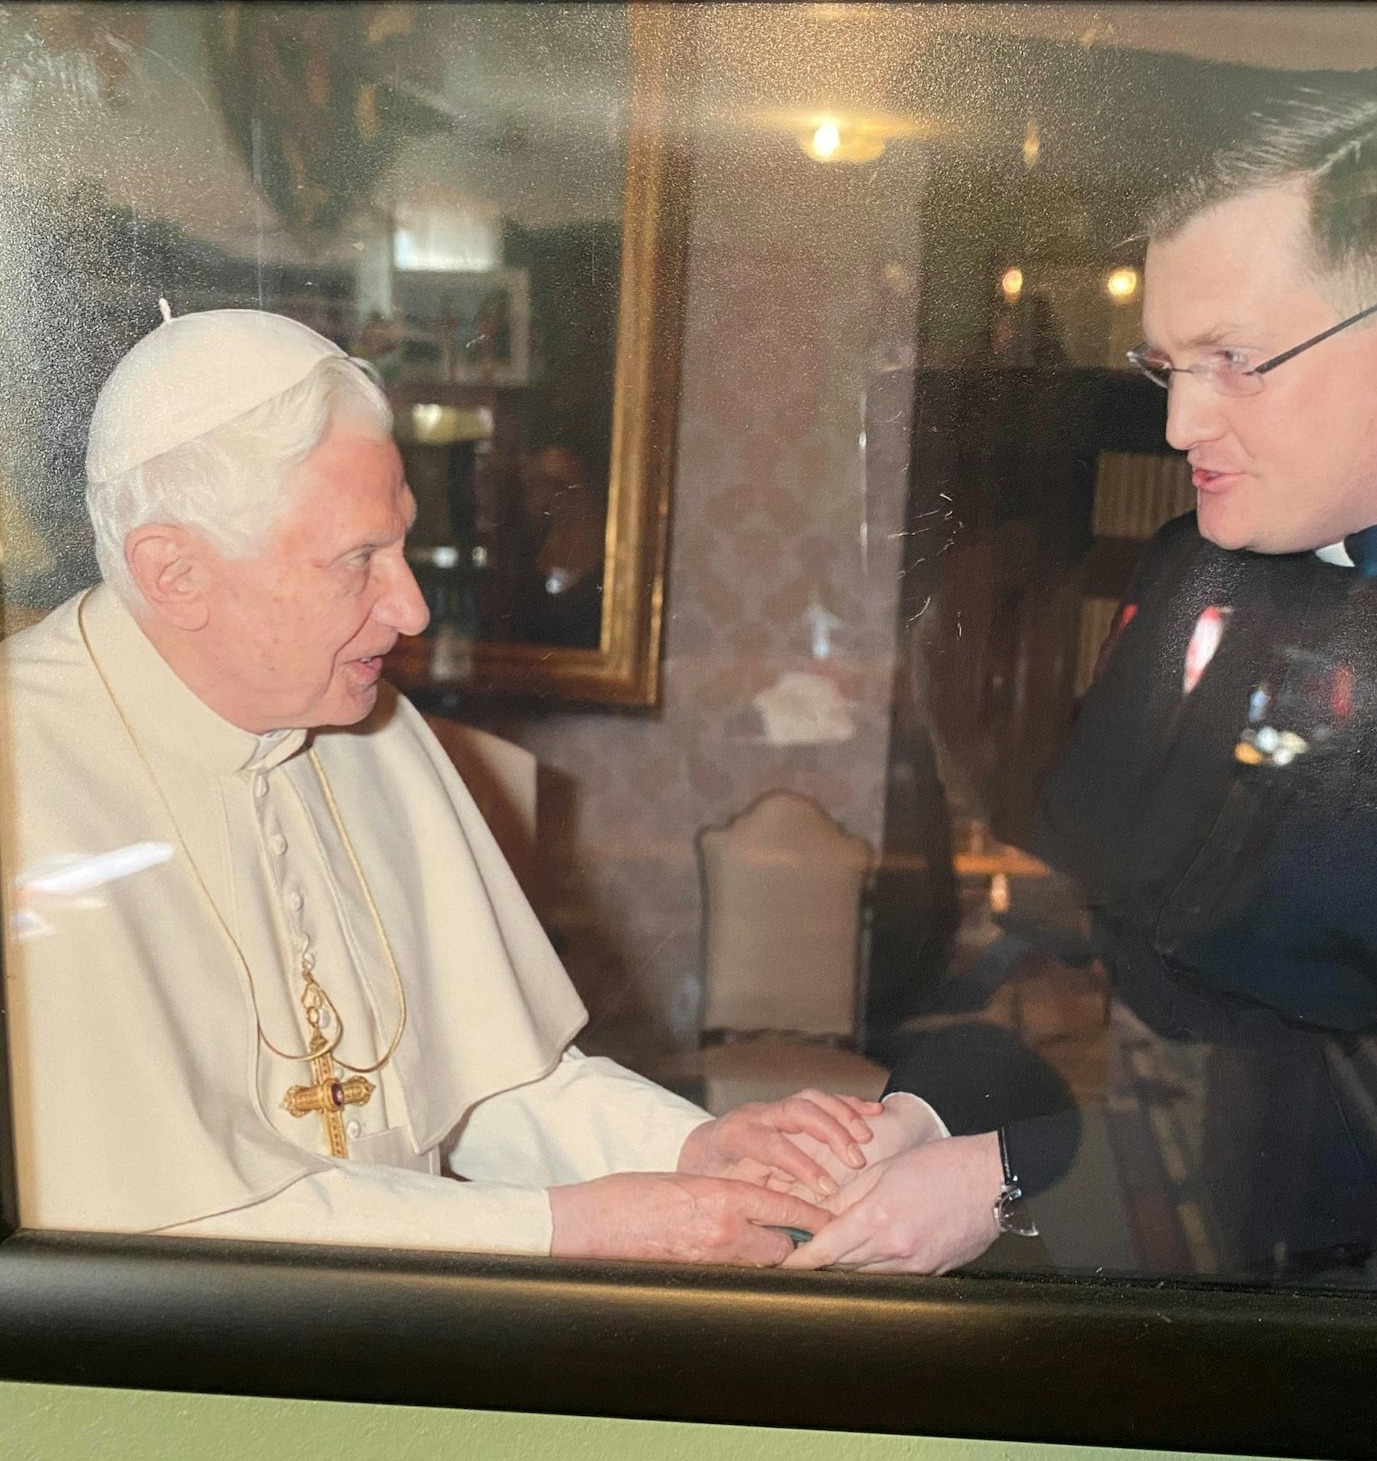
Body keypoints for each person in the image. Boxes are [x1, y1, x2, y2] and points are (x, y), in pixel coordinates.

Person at [785, 75, 1377, 1290]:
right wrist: (935, 1102)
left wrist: (1016, 1172)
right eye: (1166, 362)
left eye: (1234, 358)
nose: (1177, 425)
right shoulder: (1186, 571)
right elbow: (1080, 921)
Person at [0, 305, 886, 1264]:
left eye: (403, 545)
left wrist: (687, 1150)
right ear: (176, 572)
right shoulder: (25, 775)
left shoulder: (367, 726)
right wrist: (574, 1230)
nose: (411, 606)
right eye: (359, 560)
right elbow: (159, 1231)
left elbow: (483, 1082)